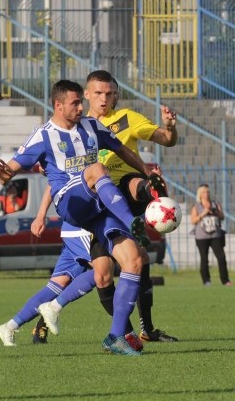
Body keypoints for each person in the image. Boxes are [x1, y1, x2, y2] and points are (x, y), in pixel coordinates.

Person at [0, 79, 152, 356]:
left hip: (98, 209)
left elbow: (122, 150)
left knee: (133, 261)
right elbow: (15, 165)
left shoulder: (92, 126)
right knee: (96, 169)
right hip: (70, 201)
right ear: (58, 105)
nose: (81, 107)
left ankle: (115, 337)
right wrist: (7, 172)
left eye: (81, 102)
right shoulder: (43, 135)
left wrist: (146, 172)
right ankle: (131, 222)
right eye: (75, 103)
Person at [36, 70, 179, 344]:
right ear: (86, 94)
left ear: (116, 95)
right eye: (98, 94)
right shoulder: (72, 127)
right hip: (94, 207)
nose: (104, 99)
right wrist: (42, 212)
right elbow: (60, 177)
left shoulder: (126, 119)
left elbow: (165, 139)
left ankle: (145, 329)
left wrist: (169, 128)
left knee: (139, 247)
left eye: (110, 94)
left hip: (125, 192)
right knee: (101, 274)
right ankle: (118, 331)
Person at [190, 184, 231, 286]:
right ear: (200, 194)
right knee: (204, 258)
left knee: (221, 257)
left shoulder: (215, 204)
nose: (206, 194)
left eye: (208, 192)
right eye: (204, 192)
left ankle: (225, 280)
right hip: (202, 236)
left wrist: (215, 212)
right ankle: (206, 280)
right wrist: (203, 213)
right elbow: (193, 220)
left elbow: (222, 217)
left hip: (216, 235)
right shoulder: (196, 206)